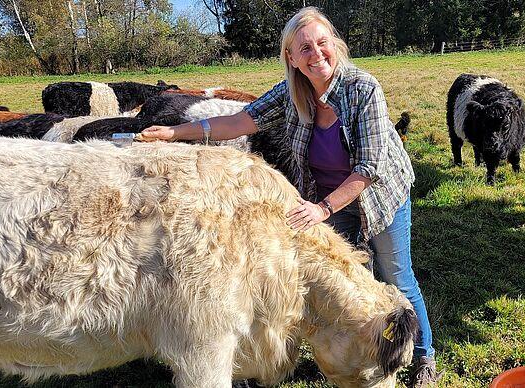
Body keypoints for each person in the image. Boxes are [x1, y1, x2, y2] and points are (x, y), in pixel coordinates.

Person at [140, 7, 440, 387]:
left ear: (335, 44)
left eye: (322, 43)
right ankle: (353, 352)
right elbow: (240, 121)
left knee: (398, 274)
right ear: (292, 58)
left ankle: (423, 356)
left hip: (378, 195)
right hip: (328, 196)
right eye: (305, 48)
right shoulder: (293, 92)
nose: (316, 54)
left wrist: (323, 208)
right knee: (353, 278)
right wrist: (174, 133)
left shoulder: (363, 89)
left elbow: (369, 169)